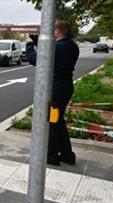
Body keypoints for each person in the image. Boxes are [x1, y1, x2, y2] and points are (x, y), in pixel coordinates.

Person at [26, 21, 79, 166]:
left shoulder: (57, 47)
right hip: (65, 87)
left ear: (58, 32)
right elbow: (53, 55)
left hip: (55, 90)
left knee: (53, 122)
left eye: (53, 31)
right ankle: (67, 155)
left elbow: (35, 59)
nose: (52, 33)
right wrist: (40, 42)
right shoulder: (73, 46)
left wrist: (29, 45)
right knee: (58, 120)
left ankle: (52, 155)